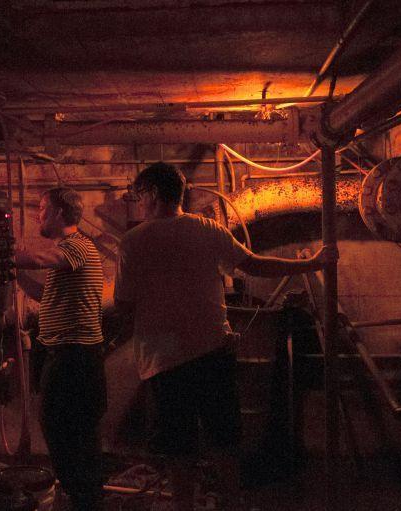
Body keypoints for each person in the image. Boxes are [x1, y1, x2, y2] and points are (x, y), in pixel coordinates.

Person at [114, 162, 337, 511]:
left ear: (153, 195)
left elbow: (125, 304)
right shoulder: (207, 230)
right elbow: (255, 264)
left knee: (179, 445)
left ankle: (183, 505)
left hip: (163, 360)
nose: (139, 205)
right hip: (211, 350)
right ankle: (233, 502)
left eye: (140, 197)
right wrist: (312, 264)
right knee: (224, 437)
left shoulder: (133, 242)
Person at [15, 187, 106, 511]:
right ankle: (82, 497)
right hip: (69, 354)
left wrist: (2, 253)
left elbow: (41, 258)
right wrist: (18, 276)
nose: (38, 215)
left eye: (41, 208)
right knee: (71, 429)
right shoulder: (69, 254)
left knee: (63, 427)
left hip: (74, 356)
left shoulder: (78, 247)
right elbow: (47, 295)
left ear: (57, 212)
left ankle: (80, 497)